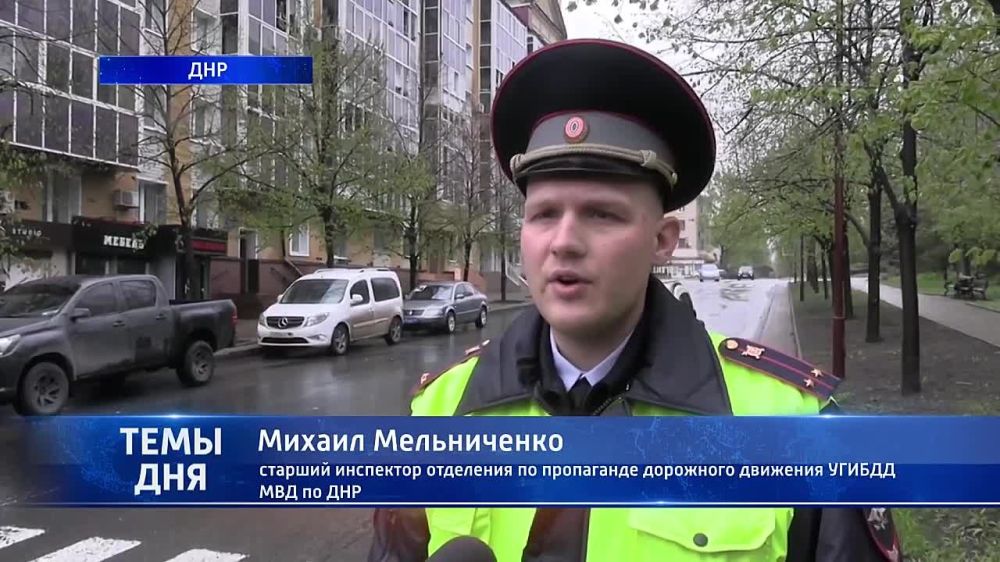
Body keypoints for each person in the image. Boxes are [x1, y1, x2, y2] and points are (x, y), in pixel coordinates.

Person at [369, 38, 901, 562]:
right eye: (544, 214)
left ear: (662, 241)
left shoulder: (793, 425)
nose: (563, 242)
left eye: (602, 214)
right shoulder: (440, 411)